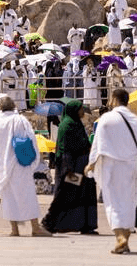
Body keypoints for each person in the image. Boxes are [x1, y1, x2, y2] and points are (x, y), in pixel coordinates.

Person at [88, 88, 137, 255]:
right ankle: (126, 241)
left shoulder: (106, 119)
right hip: (132, 167)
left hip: (111, 167)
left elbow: (97, 145)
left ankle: (120, 238)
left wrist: (92, 163)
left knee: (113, 203)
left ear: (114, 100)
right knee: (129, 203)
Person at [0, 95, 51, 237]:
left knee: (8, 198)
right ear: (13, 106)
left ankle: (14, 229)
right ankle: (35, 227)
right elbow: (30, 138)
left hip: (3, 165)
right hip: (20, 164)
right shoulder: (20, 119)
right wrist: (36, 159)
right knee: (28, 195)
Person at [41, 100, 98, 234]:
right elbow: (67, 149)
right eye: (80, 109)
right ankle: (51, 223)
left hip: (80, 168)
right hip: (70, 169)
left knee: (83, 194)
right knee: (66, 194)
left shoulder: (76, 124)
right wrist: (70, 171)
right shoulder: (67, 126)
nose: (82, 112)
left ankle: (85, 225)